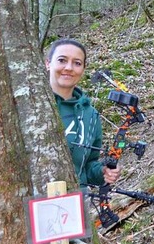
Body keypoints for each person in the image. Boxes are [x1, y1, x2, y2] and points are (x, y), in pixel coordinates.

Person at [46, 39, 121, 188]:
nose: (69, 67)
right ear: (48, 63)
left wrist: (102, 172)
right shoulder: (31, 107)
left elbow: (87, 165)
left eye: (77, 63)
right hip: (30, 203)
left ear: (83, 69)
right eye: (62, 60)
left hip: (75, 203)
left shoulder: (90, 115)